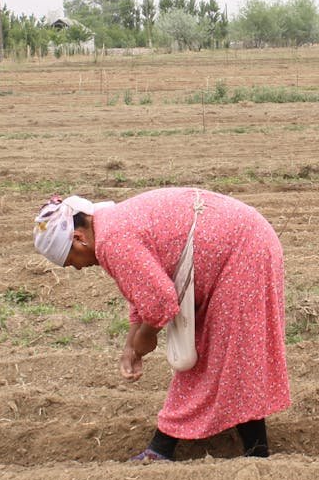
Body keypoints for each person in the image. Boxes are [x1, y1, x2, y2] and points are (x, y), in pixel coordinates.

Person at [33, 187, 291, 461]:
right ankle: (252, 450)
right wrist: (130, 346)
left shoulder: (112, 241)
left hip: (243, 251)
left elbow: (160, 303)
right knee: (230, 356)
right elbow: (142, 288)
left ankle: (165, 448)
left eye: (70, 261)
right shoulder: (109, 226)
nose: (77, 268)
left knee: (225, 356)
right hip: (243, 244)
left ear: (78, 238)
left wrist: (145, 339)